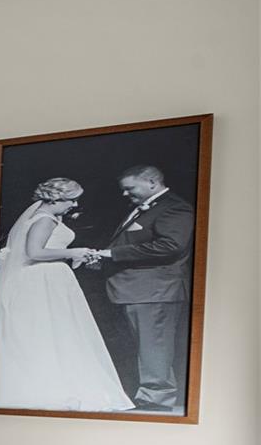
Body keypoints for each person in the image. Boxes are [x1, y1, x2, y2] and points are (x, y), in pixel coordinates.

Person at [0, 177, 131, 412]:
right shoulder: (44, 220)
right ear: (56, 198)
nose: (75, 205)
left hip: (49, 277)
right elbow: (33, 252)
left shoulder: (49, 217)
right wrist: (73, 251)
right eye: (72, 200)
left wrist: (76, 255)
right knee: (48, 330)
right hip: (41, 278)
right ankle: (48, 387)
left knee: (55, 330)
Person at [76, 165, 196, 414]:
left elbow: (171, 245)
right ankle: (145, 397)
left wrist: (112, 254)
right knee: (144, 346)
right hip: (133, 290)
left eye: (130, 188)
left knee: (154, 346)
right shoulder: (143, 208)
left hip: (154, 290)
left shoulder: (175, 207)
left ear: (152, 182)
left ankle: (157, 400)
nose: (124, 194)